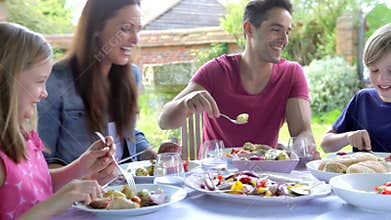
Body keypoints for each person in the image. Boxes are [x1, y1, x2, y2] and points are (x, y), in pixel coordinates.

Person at [158, 0, 319, 159]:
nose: (285, 40)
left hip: (265, 177)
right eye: (276, 30)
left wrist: (302, 148)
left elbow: (302, 132)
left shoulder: (291, 74)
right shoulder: (217, 71)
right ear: (249, 29)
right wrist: (184, 103)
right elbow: (164, 121)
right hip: (215, 177)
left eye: (287, 32)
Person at [0, 22, 116, 220]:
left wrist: (81, 166)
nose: (45, 93)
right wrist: (55, 203)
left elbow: (39, 186)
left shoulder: (22, 137)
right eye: (39, 81)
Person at [37, 0, 157, 168]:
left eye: (138, 30)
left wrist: (153, 155)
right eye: (126, 29)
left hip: (128, 187)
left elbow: (127, 135)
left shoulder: (132, 75)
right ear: (96, 28)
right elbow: (42, 162)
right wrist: (84, 177)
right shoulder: (54, 81)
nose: (135, 39)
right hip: (81, 192)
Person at [321, 23, 391, 153]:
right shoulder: (362, 99)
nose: (382, 79)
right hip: (361, 173)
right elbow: (326, 144)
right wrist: (348, 137)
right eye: (374, 70)